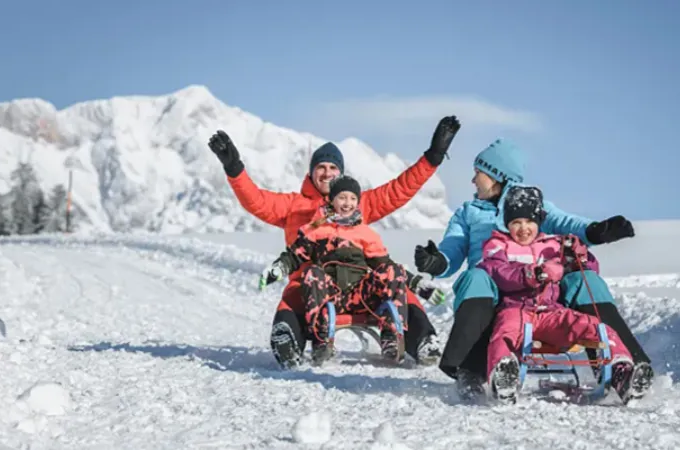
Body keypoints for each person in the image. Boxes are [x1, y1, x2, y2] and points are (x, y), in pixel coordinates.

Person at [208, 116, 460, 369]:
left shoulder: (356, 203)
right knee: (292, 296)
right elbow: (257, 201)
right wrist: (234, 168)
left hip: (360, 284)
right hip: (312, 285)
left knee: (399, 289)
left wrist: (433, 156)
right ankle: (288, 343)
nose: (327, 173)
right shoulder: (294, 207)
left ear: (341, 173)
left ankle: (423, 340)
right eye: (321, 167)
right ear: (311, 172)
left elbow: (400, 189)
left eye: (332, 168)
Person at [412, 138, 653, 400]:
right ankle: (469, 369)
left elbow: (567, 223)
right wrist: (438, 261)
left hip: (541, 290)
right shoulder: (468, 212)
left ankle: (625, 366)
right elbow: (454, 246)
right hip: (494, 285)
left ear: (497, 175)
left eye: (478, 173)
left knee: (587, 282)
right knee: (476, 276)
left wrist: (595, 231)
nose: (473, 180)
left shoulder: (533, 204)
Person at [477, 184, 651, 403]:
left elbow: (589, 269)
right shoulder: (498, 246)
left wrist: (578, 257)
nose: (523, 228)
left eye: (529, 221)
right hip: (516, 310)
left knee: (593, 326)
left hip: (551, 312)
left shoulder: (552, 245)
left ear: (539, 222)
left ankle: (621, 372)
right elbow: (498, 272)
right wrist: (531, 273)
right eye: (516, 222)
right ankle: (503, 376)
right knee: (504, 333)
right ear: (507, 225)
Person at [259, 175, 411, 365]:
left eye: (352, 198)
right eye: (342, 198)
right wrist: (278, 269)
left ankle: (391, 335)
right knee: (311, 273)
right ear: (332, 200)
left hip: (361, 297)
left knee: (391, 270)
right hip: (330, 296)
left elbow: (385, 264)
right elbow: (294, 255)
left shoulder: (365, 233)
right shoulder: (316, 229)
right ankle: (321, 339)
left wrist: (418, 284)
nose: (347, 203)